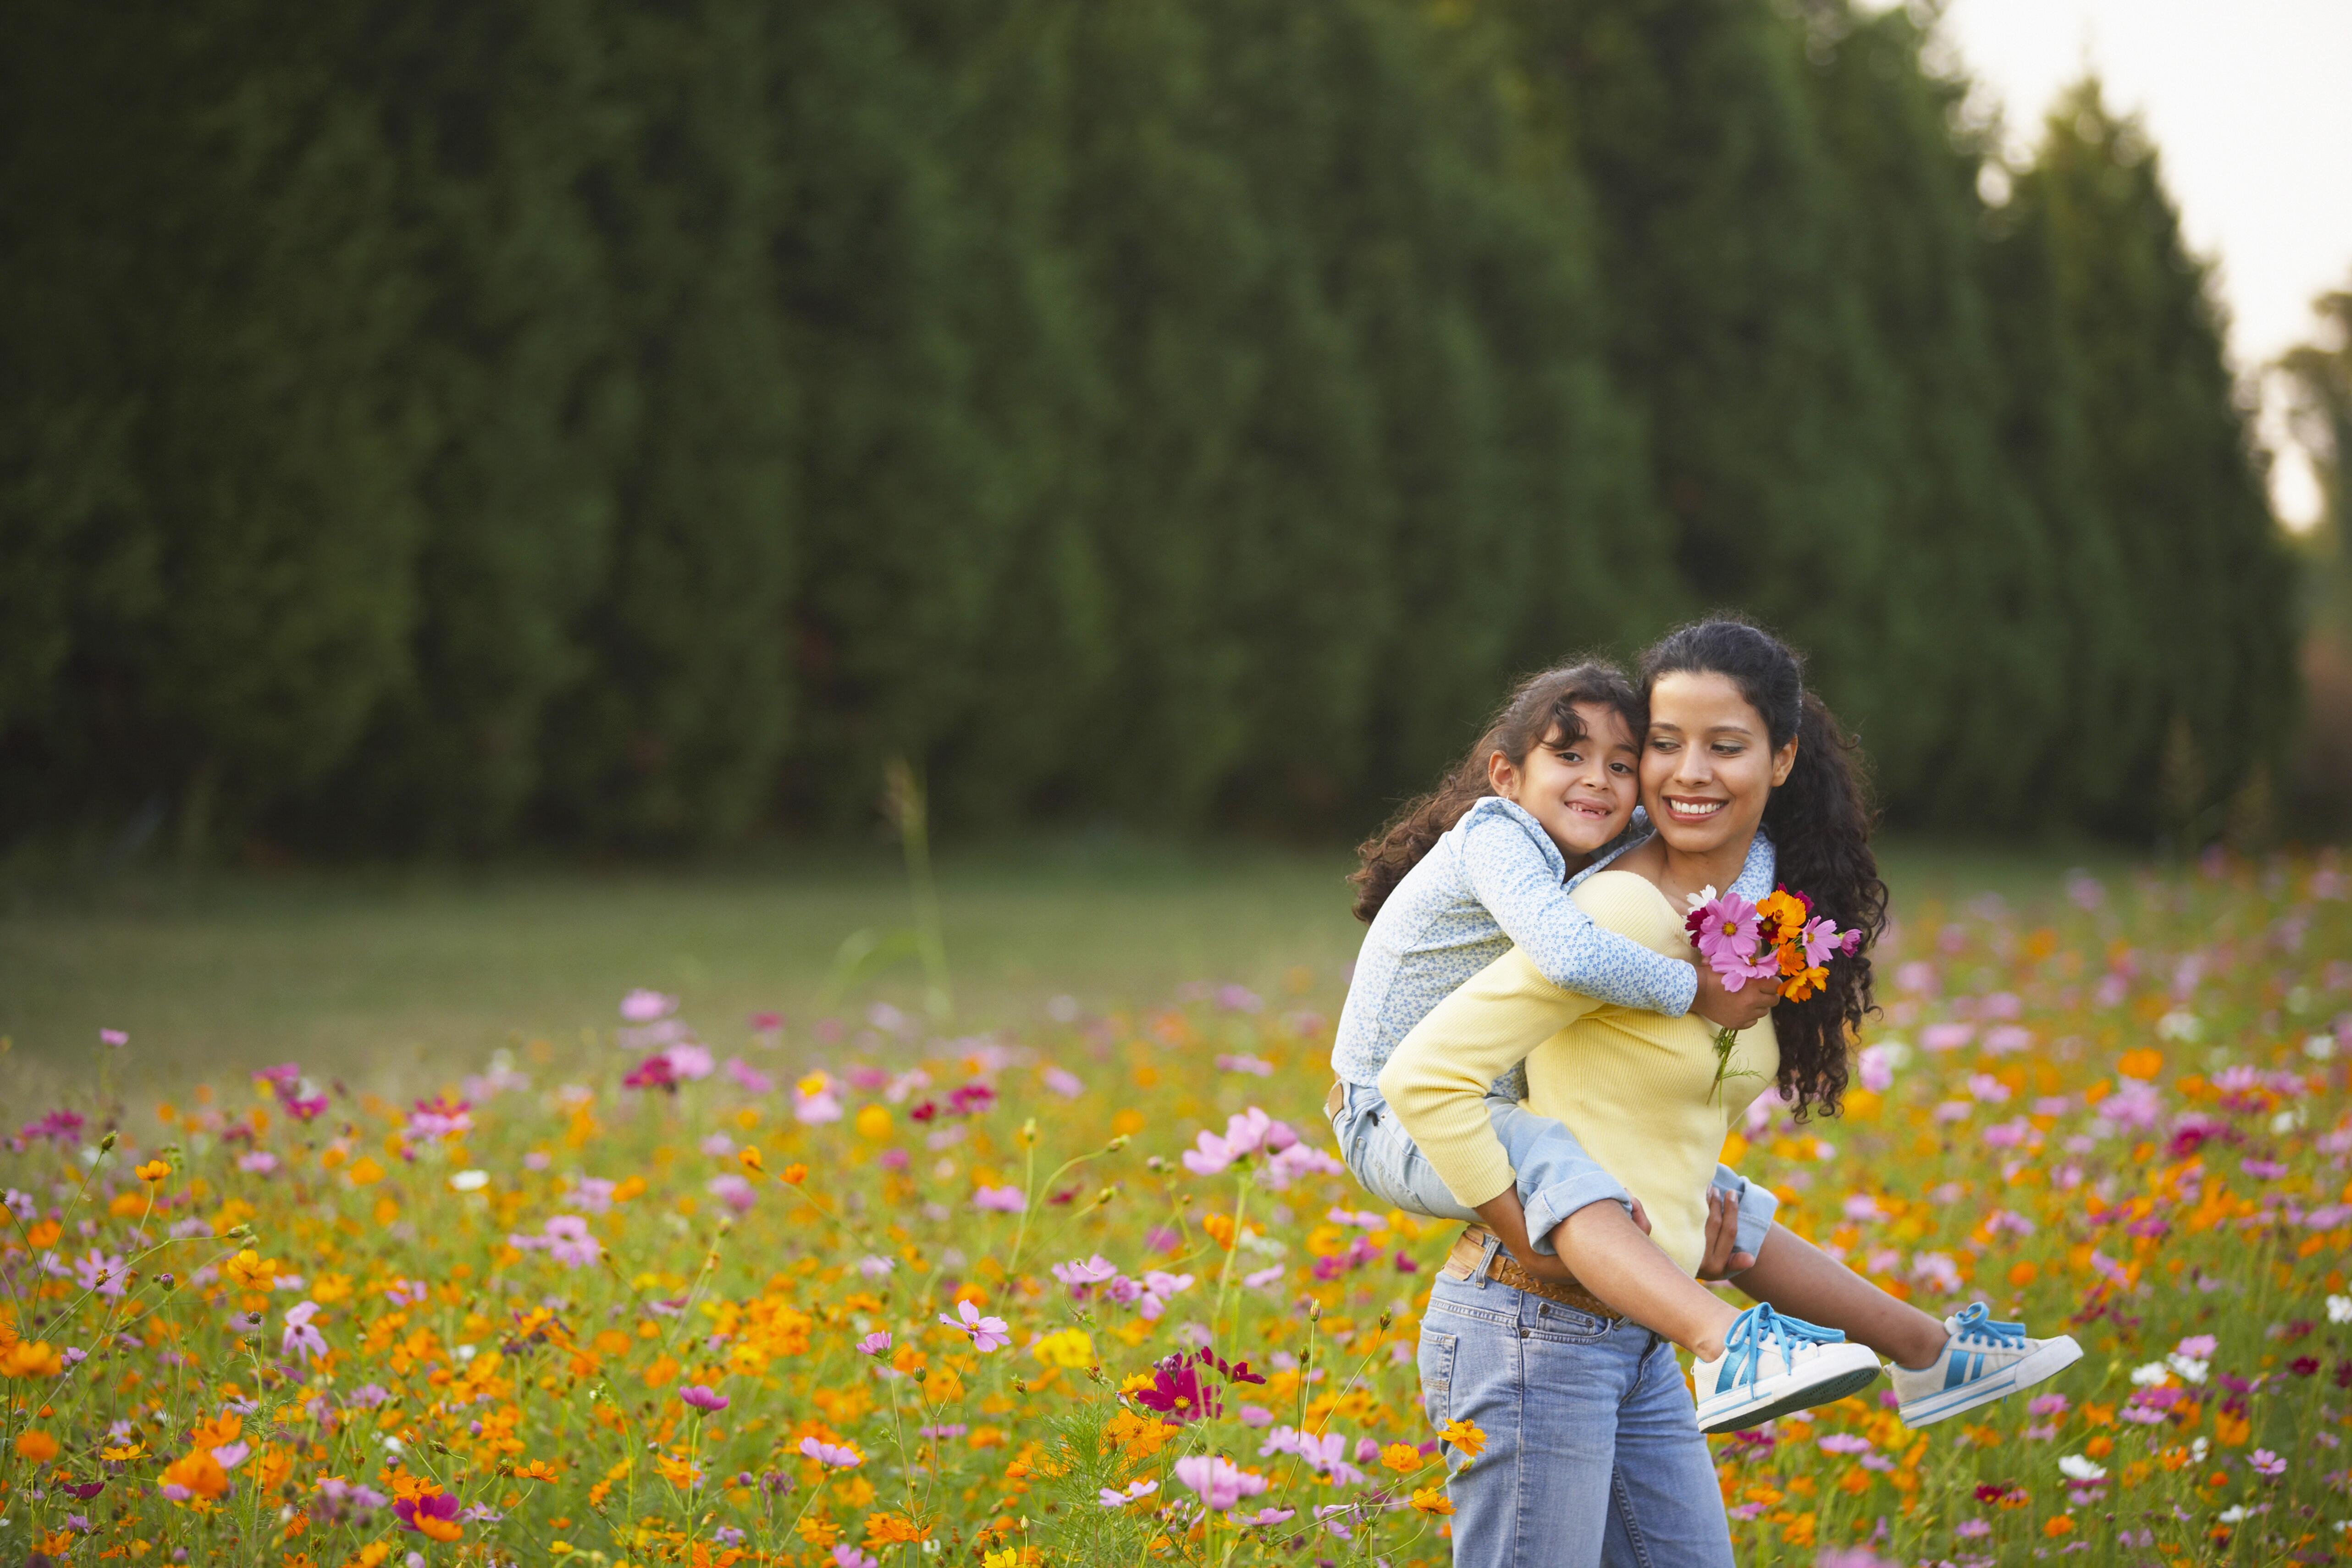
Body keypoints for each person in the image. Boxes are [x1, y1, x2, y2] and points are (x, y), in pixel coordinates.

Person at [1381, 618, 2081, 1567]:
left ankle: (1921, 1351)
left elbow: (1645, 1107)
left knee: (1732, 1215)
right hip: (1532, 1327)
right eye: (1664, 745)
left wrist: (1676, 1226)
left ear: (1783, 758)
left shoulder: (1744, 923)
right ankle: (1801, 1345)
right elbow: (1425, 1076)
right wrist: (1519, 1226)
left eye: (1725, 746)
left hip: (1637, 1338)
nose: (1687, 772)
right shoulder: (1617, 912)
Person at [1330, 660, 1876, 1430]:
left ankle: (1929, 1354)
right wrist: (1697, 989)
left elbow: (1732, 848)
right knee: (1562, 1168)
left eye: (1621, 765)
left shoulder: (1595, 837)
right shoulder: (1497, 834)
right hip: (1386, 1110)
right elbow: (1569, 954)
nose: (1598, 780)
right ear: (1505, 774)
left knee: (1716, 1199)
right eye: (1569, 754)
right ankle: (1725, 1345)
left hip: (1477, 1101)